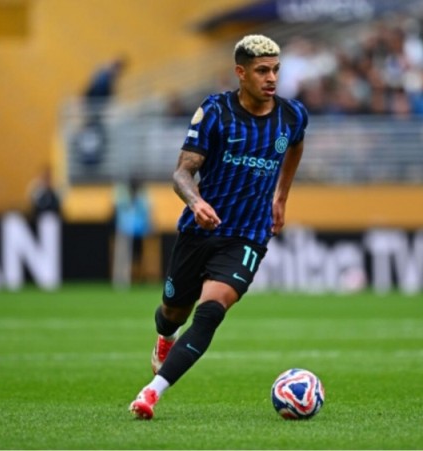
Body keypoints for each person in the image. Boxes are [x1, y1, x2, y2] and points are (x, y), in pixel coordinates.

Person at [129, 34, 308, 420]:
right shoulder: (215, 112)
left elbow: (296, 145)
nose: (271, 78)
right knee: (172, 312)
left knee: (211, 311)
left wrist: (281, 196)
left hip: (248, 235)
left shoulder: (292, 115)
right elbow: (182, 173)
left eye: (276, 70)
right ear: (241, 73)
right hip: (200, 230)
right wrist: (196, 203)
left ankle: (151, 393)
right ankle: (165, 337)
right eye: (262, 71)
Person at [112, 177, 152, 288]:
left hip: (137, 231)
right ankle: (121, 280)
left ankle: (140, 278)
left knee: (137, 256)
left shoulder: (142, 198)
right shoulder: (123, 197)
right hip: (124, 230)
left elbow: (146, 214)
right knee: (122, 257)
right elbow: (117, 211)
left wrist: (146, 228)